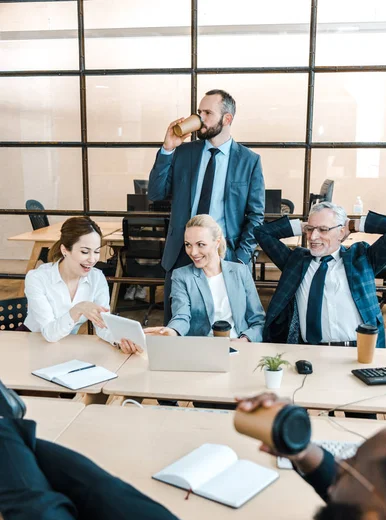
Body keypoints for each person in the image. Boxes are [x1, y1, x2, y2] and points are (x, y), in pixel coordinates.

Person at [1, 383, 386, 520]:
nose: (339, 468)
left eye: (350, 471)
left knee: (39, 514)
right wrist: (302, 450)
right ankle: (10, 427)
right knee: (106, 491)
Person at [148, 89, 265, 323]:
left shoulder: (249, 161)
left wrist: (240, 258)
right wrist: (168, 148)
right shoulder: (183, 153)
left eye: (208, 113)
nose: (200, 119)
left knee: (222, 323)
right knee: (178, 324)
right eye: (199, 112)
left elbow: (256, 216)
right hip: (183, 253)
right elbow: (156, 193)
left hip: (225, 256)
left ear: (227, 119)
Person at [254, 202, 386, 347]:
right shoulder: (296, 261)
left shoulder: (362, 258)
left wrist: (354, 225)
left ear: (341, 232)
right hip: (310, 351)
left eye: (323, 229)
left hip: (359, 349)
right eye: (310, 229)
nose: (313, 237)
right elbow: (262, 233)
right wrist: (303, 225)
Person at [23, 217, 136, 354]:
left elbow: (102, 325)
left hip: (67, 345)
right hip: (32, 344)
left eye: (96, 251)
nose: (92, 259)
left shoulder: (96, 277)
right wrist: (79, 308)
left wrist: (119, 340)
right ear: (65, 250)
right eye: (84, 252)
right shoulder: (37, 278)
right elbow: (49, 333)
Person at [145, 215, 265, 342]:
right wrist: (172, 331)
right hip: (201, 347)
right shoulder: (181, 276)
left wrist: (244, 340)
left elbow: (258, 321)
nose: (193, 252)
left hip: (239, 346)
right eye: (188, 245)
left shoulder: (240, 271)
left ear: (217, 242)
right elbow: (181, 316)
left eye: (200, 244)